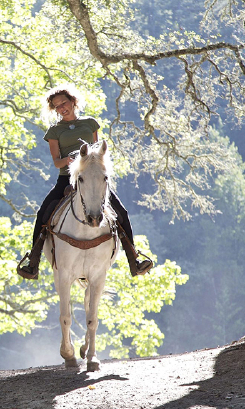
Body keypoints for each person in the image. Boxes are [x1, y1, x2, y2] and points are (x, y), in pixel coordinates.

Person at [18, 84, 153, 279]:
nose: (62, 108)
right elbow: (57, 163)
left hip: (91, 178)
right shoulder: (54, 131)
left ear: (73, 101)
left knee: (121, 212)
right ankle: (33, 261)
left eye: (64, 103)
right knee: (43, 213)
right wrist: (71, 160)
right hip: (67, 179)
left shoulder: (90, 123)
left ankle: (134, 259)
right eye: (57, 106)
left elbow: (97, 153)